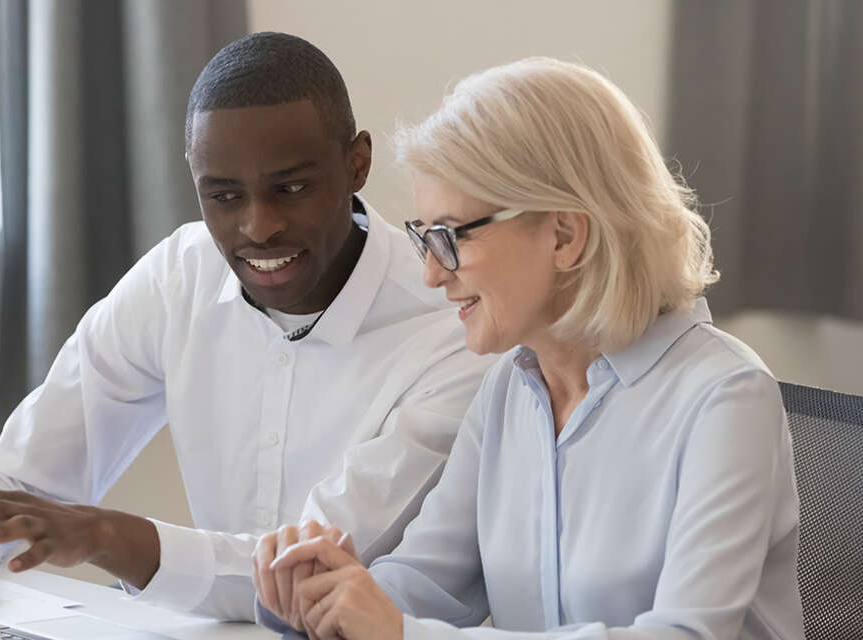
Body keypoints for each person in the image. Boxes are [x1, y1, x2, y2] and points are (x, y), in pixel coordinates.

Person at [256, 57, 805, 639]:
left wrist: (398, 633)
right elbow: (428, 583)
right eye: (424, 239)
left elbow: (685, 635)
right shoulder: (508, 388)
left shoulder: (725, 397)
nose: (432, 277)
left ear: (564, 235)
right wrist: (319, 595)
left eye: (448, 237)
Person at [0, 32, 495, 622]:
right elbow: (19, 475)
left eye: (290, 188)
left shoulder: (450, 327)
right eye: (222, 196)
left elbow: (307, 571)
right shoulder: (179, 276)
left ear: (357, 163)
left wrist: (107, 537)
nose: (258, 227)